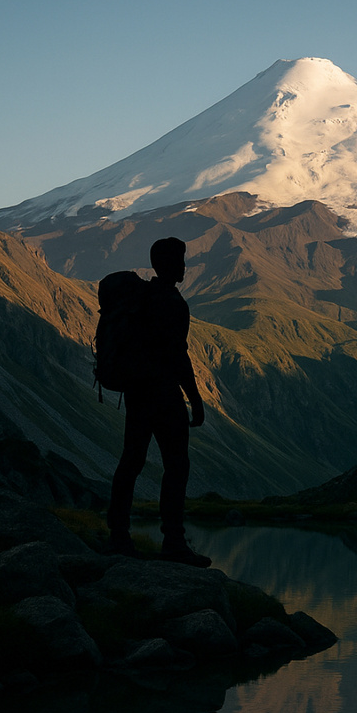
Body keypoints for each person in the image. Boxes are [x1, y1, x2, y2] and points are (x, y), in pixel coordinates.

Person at [107, 236, 211, 567]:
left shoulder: (142, 298)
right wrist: (195, 398)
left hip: (138, 393)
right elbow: (178, 355)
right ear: (168, 264)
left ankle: (119, 535)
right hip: (164, 395)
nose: (183, 266)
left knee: (131, 460)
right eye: (180, 261)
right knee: (177, 465)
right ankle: (174, 542)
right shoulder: (172, 302)